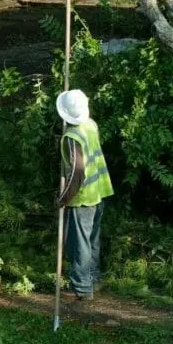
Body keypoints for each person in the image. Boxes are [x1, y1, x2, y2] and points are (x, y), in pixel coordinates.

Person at [55, 89, 114, 301]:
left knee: (80, 245)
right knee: (92, 240)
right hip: (99, 192)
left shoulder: (72, 137)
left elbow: (77, 173)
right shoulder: (91, 125)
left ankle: (82, 288)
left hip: (83, 198)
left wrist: (64, 198)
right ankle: (93, 278)